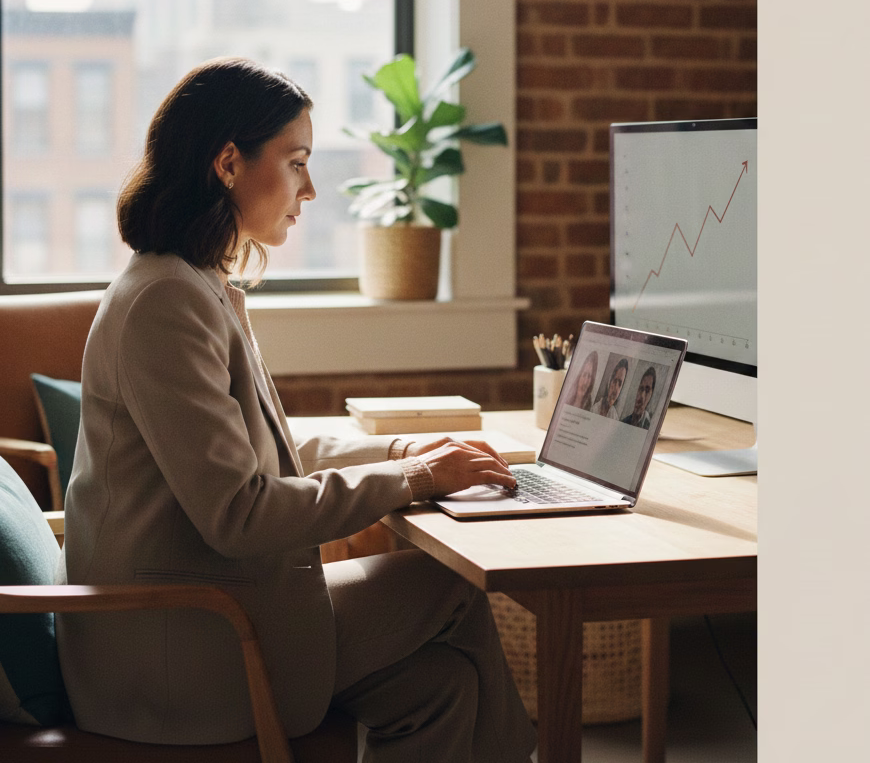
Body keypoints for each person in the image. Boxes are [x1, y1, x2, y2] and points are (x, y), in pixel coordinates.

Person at [56, 58, 536, 763]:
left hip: (202, 618)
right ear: (228, 163)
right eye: (297, 163)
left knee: (441, 688)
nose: (310, 190)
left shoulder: (194, 283)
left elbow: (269, 452)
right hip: (180, 650)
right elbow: (240, 513)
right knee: (450, 583)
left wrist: (401, 453)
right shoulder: (167, 303)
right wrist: (414, 481)